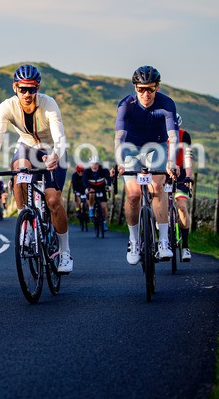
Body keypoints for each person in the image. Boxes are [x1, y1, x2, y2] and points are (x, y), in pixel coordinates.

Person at [0, 64, 73, 273]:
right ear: (15, 87)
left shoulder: (48, 104)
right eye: (22, 89)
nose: (27, 94)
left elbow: (60, 137)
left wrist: (55, 156)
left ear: (38, 88)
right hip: (27, 148)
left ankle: (65, 252)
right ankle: (25, 223)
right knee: (19, 173)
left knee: (52, 200)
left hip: (53, 149)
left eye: (31, 89)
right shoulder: (7, 107)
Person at [115, 65, 179, 265]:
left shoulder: (166, 104)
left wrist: (171, 162)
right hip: (131, 147)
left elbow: (173, 137)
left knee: (157, 187)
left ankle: (163, 242)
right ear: (135, 88)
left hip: (156, 146)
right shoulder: (126, 104)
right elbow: (119, 136)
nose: (145, 94)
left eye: (149, 89)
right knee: (133, 194)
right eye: (141, 89)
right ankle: (133, 240)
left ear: (157, 87)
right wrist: (119, 162)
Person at [171, 113, 194, 262]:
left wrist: (188, 176)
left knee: (182, 206)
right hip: (163, 173)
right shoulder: (157, 135)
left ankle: (185, 246)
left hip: (181, 174)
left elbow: (188, 158)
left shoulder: (184, 135)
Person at [83, 156, 111, 231]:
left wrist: (108, 185)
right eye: (93, 164)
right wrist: (87, 188)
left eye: (96, 164)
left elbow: (108, 178)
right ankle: (91, 208)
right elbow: (84, 181)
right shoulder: (87, 171)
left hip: (101, 188)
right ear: (90, 165)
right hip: (91, 187)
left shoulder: (103, 170)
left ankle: (104, 222)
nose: (94, 166)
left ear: (98, 164)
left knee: (104, 207)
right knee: (92, 193)